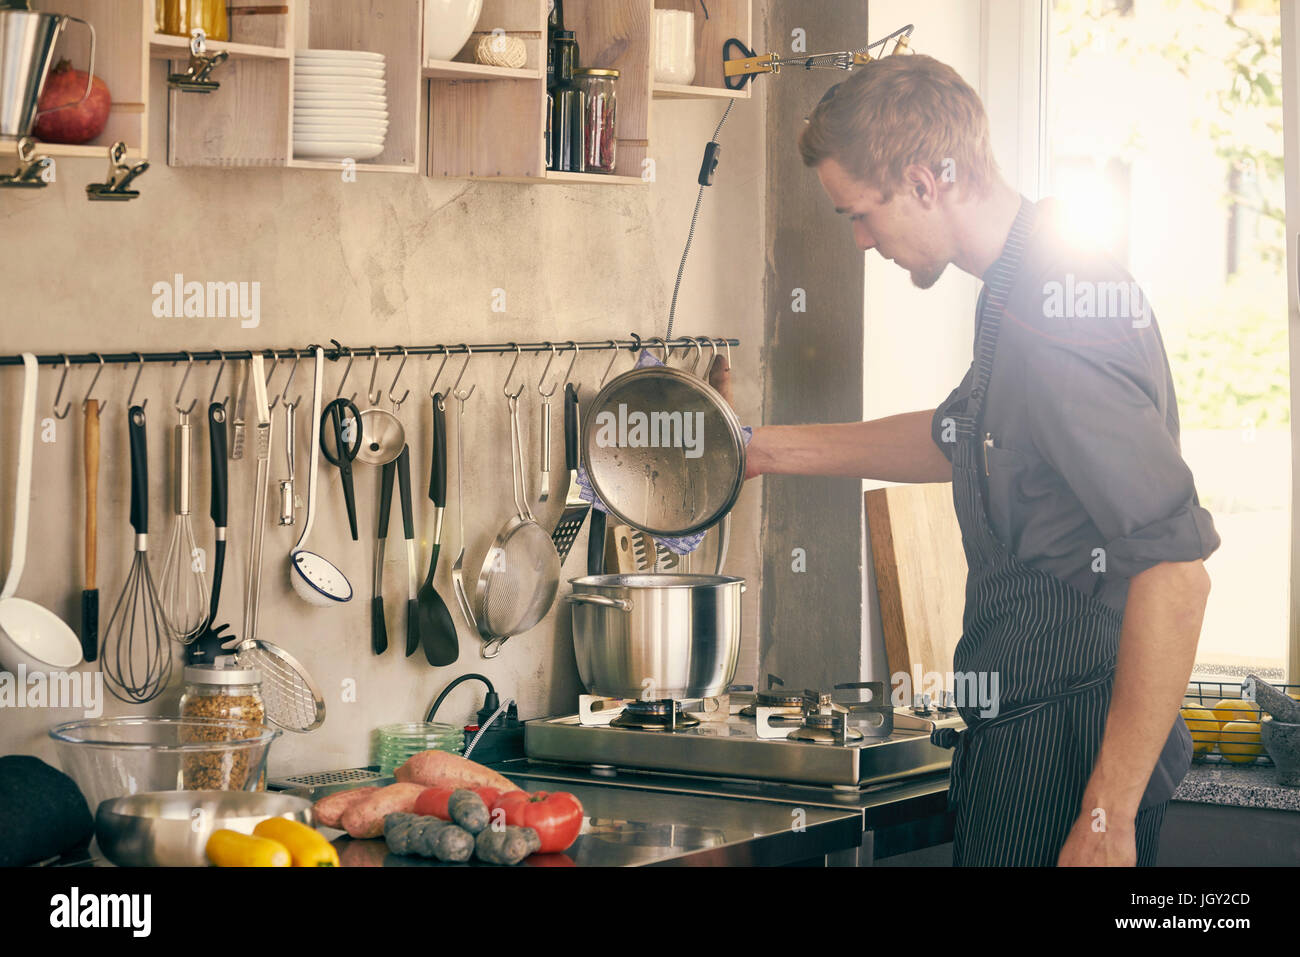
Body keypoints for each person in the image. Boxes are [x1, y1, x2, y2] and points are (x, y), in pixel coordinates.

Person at [741, 53, 1220, 866]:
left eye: (861, 213)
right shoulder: (1018, 284)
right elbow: (958, 434)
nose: (859, 241)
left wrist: (1107, 813)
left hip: (1067, 744)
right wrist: (759, 450)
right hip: (1021, 735)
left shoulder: (1056, 314)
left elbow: (1177, 574)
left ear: (926, 183)